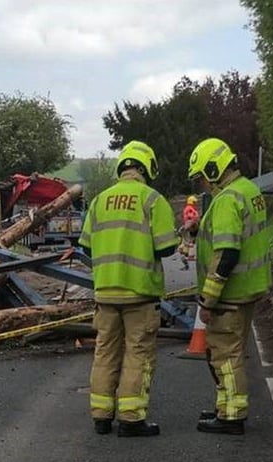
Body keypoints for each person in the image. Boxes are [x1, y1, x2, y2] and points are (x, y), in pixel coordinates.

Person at [79, 140, 178, 437]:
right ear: (146, 167)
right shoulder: (152, 200)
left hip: (105, 293)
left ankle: (101, 416)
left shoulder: (99, 201)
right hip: (140, 294)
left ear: (122, 166)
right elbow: (167, 249)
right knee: (138, 354)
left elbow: (85, 247)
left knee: (105, 353)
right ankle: (131, 418)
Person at [187, 138, 272, 435]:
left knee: (225, 355)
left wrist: (208, 300)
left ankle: (231, 416)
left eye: (202, 177)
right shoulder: (249, 190)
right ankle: (226, 407)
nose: (202, 184)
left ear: (213, 168)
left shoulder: (226, 200)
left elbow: (226, 254)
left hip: (230, 293)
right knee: (232, 351)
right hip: (248, 289)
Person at [178, 195, 200, 270]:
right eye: (195, 202)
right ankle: (187, 262)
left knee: (185, 248)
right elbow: (191, 220)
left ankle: (186, 263)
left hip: (189, 230)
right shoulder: (190, 209)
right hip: (190, 230)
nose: (196, 204)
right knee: (185, 247)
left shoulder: (189, 209)